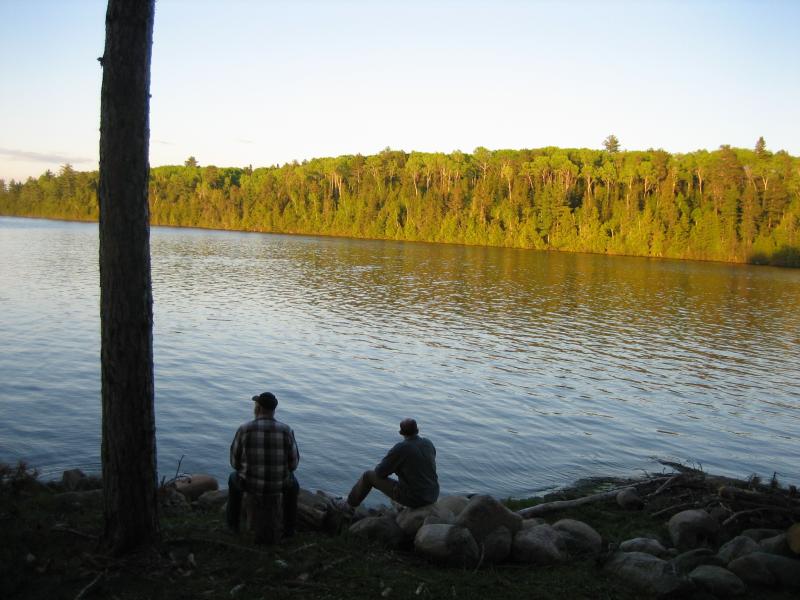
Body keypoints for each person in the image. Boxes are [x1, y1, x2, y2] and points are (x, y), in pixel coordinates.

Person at [227, 391, 300, 541]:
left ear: (258, 408)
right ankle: (289, 530)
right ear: (274, 410)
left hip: (250, 484)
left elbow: (234, 463)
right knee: (294, 487)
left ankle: (233, 526)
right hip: (278, 486)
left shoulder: (244, 429)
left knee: (232, 479)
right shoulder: (286, 430)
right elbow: (294, 464)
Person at [347, 418, 438, 509]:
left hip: (415, 498)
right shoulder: (428, 443)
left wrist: (394, 466)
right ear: (417, 430)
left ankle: (348, 506)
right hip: (433, 494)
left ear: (401, 432)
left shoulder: (402, 448)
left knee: (368, 476)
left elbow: (380, 472)